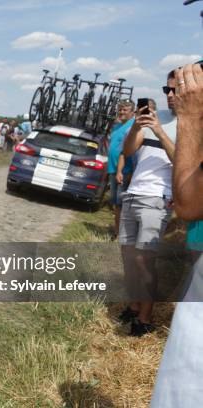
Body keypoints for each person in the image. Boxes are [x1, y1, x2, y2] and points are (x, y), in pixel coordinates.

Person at [150, 62, 203, 408]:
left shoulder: (185, 122)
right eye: (169, 90)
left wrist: (188, 120)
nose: (175, 94)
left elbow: (188, 202)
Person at [118, 71, 177, 337]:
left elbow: (183, 162)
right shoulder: (157, 117)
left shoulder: (193, 124)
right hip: (133, 194)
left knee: (144, 260)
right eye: (167, 90)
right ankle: (133, 305)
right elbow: (129, 151)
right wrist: (135, 126)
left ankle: (145, 318)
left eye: (175, 90)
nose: (171, 95)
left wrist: (159, 132)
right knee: (128, 258)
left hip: (158, 198)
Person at [107, 100, 135, 236]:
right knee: (115, 204)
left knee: (121, 205)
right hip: (113, 170)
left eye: (125, 110)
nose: (122, 112)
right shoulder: (117, 126)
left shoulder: (133, 126)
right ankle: (117, 231)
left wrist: (129, 172)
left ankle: (121, 235)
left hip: (124, 172)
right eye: (120, 109)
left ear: (132, 112)